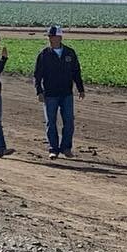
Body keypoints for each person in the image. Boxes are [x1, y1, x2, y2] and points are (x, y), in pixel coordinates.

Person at [33, 24, 85, 159]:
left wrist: (80, 88)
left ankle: (66, 148)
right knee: (51, 122)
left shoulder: (69, 53)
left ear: (59, 37)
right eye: (49, 36)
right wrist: (39, 91)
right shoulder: (44, 54)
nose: (51, 39)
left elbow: (76, 72)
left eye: (53, 36)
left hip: (66, 93)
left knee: (69, 121)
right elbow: (37, 75)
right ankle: (53, 149)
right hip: (50, 94)